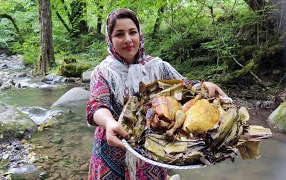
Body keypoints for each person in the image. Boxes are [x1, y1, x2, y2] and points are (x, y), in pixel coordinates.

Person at [86, 8, 227, 180]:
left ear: (140, 34)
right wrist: (109, 122)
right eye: (119, 34)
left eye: (132, 32)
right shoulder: (103, 72)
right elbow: (96, 105)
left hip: (152, 147)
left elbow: (185, 86)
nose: (128, 40)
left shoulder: (157, 67)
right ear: (110, 39)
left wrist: (204, 85)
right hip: (112, 145)